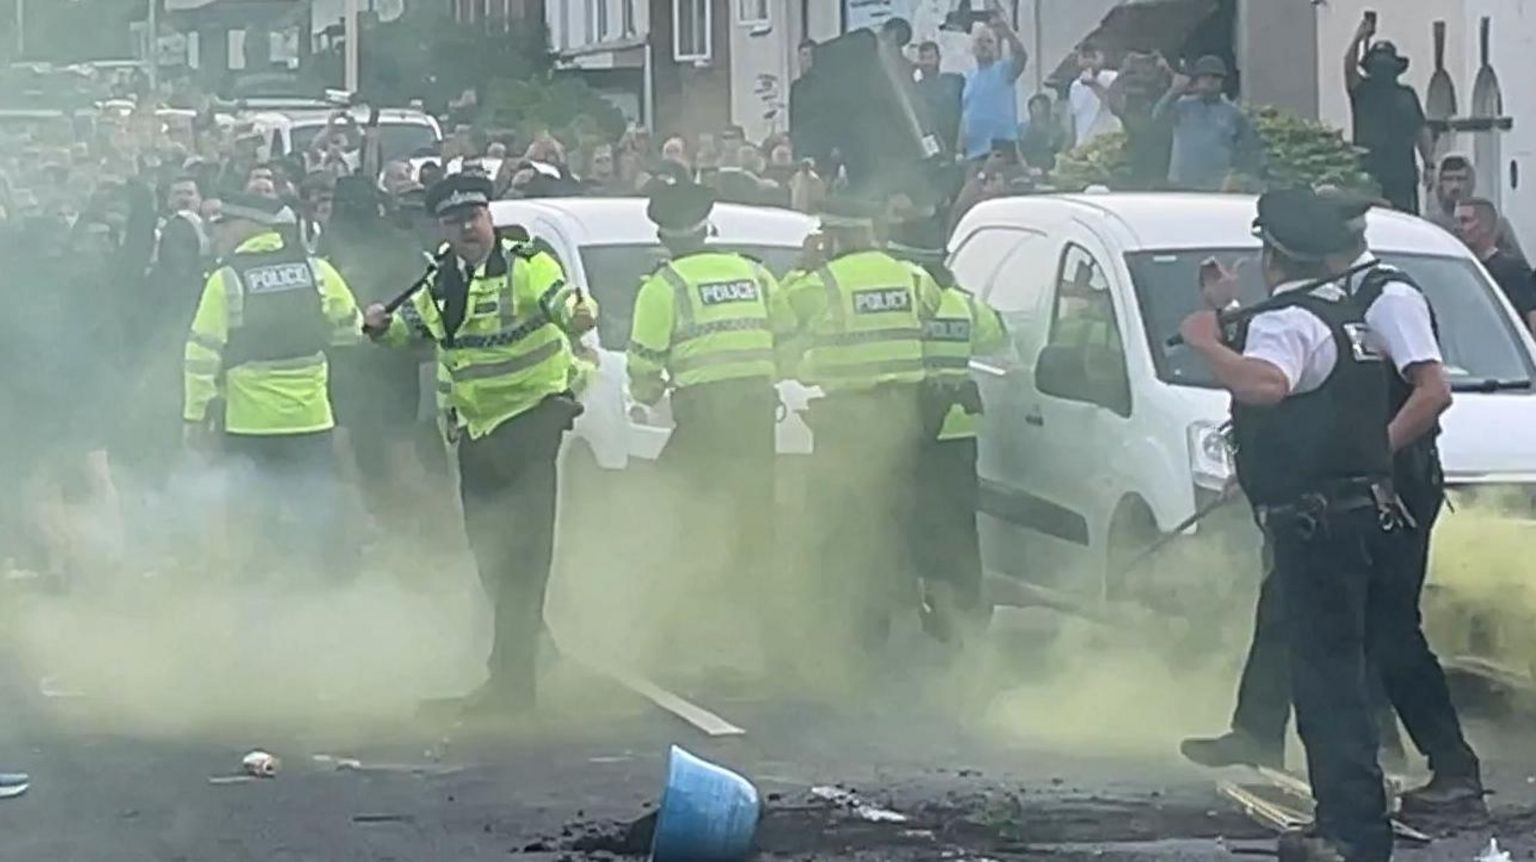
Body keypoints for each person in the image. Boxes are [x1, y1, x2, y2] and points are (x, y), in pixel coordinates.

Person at [1182, 193, 1486, 823]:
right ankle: (1260, 728)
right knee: (1292, 602)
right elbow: (1300, 365)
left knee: (1382, 630)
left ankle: (1439, 766)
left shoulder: (1386, 296)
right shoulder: (1331, 297)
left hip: (1388, 483)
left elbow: (1432, 391)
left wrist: (1367, 456)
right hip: (1345, 482)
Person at [361, 175, 596, 717]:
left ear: (489, 217)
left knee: (524, 558)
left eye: (475, 216)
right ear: (441, 229)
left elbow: (563, 302)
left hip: (532, 425)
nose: (468, 228)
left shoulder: (527, 262)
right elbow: (411, 329)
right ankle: (533, 654)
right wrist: (379, 328)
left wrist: (580, 313)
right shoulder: (441, 278)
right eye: (455, 221)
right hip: (476, 434)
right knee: (491, 558)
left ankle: (513, 687)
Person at [627, 182, 788, 657]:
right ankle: (769, 634)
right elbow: (785, 333)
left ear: (665, 237)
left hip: (703, 420)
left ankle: (671, 631)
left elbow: (642, 366)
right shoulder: (755, 274)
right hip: (757, 417)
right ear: (707, 228)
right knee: (755, 525)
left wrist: (648, 391)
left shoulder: (664, 286)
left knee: (677, 515)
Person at [780, 196, 944, 648]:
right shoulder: (910, 275)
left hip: (846, 419)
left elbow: (783, 313)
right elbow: (933, 309)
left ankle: (850, 617)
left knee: (842, 520)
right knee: (893, 513)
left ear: (833, 236)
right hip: (902, 414)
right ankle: (901, 604)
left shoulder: (822, 282)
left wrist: (801, 265)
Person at [182, 192, 363, 580]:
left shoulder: (226, 280)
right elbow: (352, 327)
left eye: (225, 225)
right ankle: (324, 596)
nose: (220, 235)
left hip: (248, 427)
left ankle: (264, 598)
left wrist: (195, 417)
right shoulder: (317, 271)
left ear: (250, 227)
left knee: (254, 521)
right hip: (311, 420)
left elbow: (201, 356)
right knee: (314, 512)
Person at [888, 215, 1006, 645]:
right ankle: (965, 607)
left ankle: (919, 602)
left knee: (911, 517)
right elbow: (995, 338)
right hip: (958, 432)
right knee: (958, 522)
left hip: (914, 425)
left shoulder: (909, 304)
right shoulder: (964, 303)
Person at [1346, 15, 1433, 213]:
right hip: (1369, 172)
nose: (1382, 69)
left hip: (1402, 172)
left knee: (1405, 220)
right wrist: (1358, 38)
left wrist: (1430, 164)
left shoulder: (1406, 94)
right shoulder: (1362, 91)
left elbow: (1421, 129)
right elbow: (1348, 69)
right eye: (1378, 64)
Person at [1156, 55, 1262, 192]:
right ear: (1197, 80)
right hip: (1181, 184)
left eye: (1216, 77)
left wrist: (1239, 177)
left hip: (1218, 186)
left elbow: (1250, 149)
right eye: (1205, 76)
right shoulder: (1182, 106)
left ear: (1222, 81)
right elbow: (1157, 118)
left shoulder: (1234, 114)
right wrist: (1173, 92)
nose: (1210, 80)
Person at [1456, 196, 1536, 331]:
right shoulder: (1457, 270)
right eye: (1457, 221)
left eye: (1465, 221)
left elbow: (1531, 314)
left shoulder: (1513, 270)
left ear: (1485, 225)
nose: (1457, 227)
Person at [1428, 155, 1526, 262]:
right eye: (1448, 179)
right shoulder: (1429, 226)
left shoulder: (1496, 224)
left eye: (1461, 179)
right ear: (1440, 183)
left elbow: (1518, 266)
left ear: (1470, 182)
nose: (1455, 186)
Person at [961, 12, 1028, 161]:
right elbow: (965, 114)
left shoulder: (1004, 70)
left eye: (989, 41)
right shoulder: (968, 77)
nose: (983, 45)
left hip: (1001, 148)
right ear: (973, 47)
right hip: (974, 150)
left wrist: (1007, 33)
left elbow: (1021, 56)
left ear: (996, 47)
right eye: (979, 41)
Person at [914, 40, 965, 156]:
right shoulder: (915, 89)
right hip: (932, 147)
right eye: (922, 58)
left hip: (957, 142)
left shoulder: (954, 81)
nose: (926, 62)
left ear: (939, 59)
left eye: (930, 57)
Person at [1069, 40, 1121, 148]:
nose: (1088, 60)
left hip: (1109, 142)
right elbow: (1074, 119)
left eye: (1092, 55)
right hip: (1083, 144)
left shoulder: (1113, 78)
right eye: (1084, 56)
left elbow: (1114, 104)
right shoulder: (1075, 86)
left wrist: (1094, 85)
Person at [1017, 93, 1066, 173]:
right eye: (1034, 106)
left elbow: (1062, 153)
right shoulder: (1022, 130)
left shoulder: (1057, 131)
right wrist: (1026, 168)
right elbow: (1017, 151)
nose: (1036, 109)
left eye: (1040, 106)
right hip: (1027, 171)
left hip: (1052, 172)